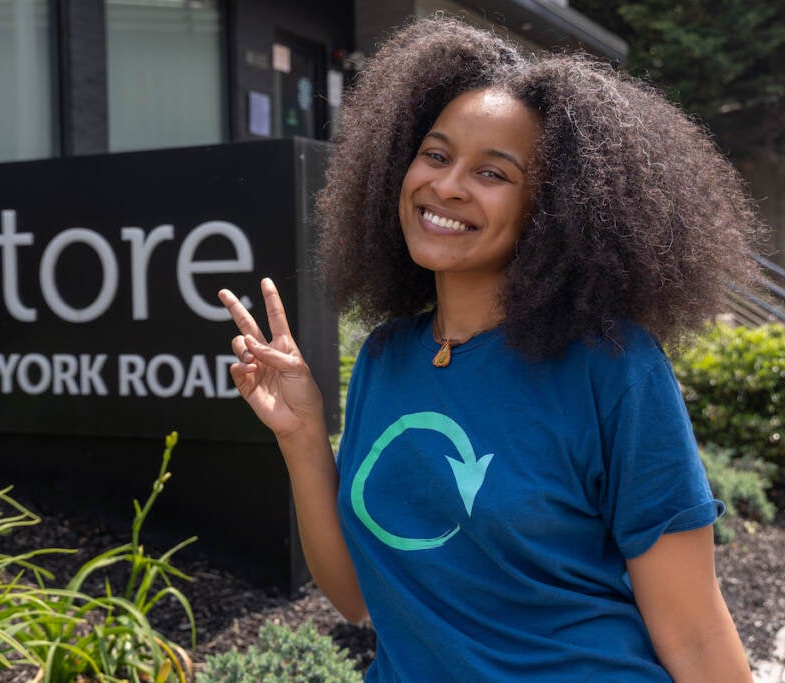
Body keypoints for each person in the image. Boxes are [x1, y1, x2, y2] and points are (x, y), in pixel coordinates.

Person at [218, 15, 761, 683]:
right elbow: (359, 596)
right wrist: (302, 438)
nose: (447, 186)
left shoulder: (612, 365)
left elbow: (697, 631)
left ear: (553, 206)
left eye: (493, 172)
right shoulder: (388, 358)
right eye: (436, 155)